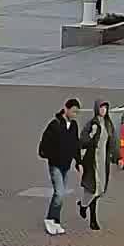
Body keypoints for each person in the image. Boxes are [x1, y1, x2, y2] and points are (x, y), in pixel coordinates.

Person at [37, 98, 83, 235]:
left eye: (77, 112)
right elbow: (44, 145)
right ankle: (49, 219)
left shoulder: (74, 125)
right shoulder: (55, 125)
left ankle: (56, 221)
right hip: (55, 165)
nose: (75, 115)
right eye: (73, 111)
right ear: (66, 109)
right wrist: (52, 156)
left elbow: (75, 145)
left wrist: (79, 162)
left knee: (60, 194)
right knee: (60, 192)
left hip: (66, 165)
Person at [77, 100, 120, 231]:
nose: (103, 110)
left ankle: (83, 205)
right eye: (101, 108)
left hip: (103, 161)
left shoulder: (108, 124)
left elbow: (113, 142)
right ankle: (92, 219)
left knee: (100, 189)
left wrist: (118, 157)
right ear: (96, 109)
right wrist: (91, 134)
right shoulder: (91, 124)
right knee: (93, 188)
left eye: (105, 108)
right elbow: (82, 141)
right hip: (91, 161)